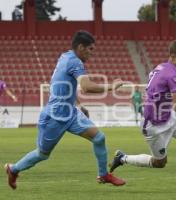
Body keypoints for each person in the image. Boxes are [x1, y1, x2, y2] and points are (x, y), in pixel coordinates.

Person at [4, 30, 126, 190]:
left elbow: (66, 85)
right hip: (54, 117)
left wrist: (79, 105)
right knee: (42, 154)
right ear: (81, 47)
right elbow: (87, 87)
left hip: (71, 113)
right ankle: (13, 169)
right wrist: (112, 87)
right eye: (90, 49)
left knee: (99, 138)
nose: (92, 54)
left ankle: (103, 175)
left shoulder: (65, 56)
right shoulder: (75, 62)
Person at [109, 39, 176, 185]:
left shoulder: (161, 67)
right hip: (153, 125)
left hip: (168, 116)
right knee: (160, 163)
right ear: (173, 56)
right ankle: (122, 158)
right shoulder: (173, 74)